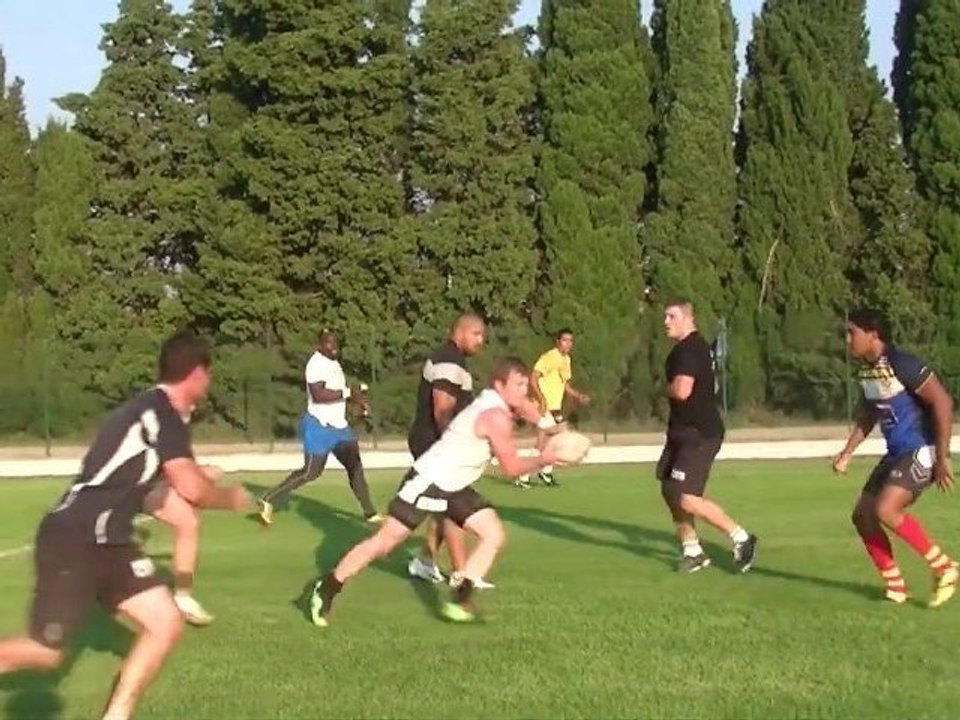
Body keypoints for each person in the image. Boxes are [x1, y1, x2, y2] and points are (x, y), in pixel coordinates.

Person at [0, 331, 250, 720]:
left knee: (165, 622)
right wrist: (230, 497)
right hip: (76, 538)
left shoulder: (151, 411)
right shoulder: (161, 413)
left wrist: (197, 476)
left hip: (113, 544)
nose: (210, 380)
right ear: (197, 373)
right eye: (208, 372)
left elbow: (148, 484)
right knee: (46, 653)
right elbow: (191, 490)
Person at [307, 356, 561, 626]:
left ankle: (459, 600)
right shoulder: (494, 416)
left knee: (493, 533)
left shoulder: (497, 401)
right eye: (518, 385)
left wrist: (547, 424)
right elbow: (511, 468)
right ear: (500, 385)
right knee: (385, 542)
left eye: (525, 385)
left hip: (454, 484)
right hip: (429, 480)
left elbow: (525, 407)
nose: (524, 391)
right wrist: (547, 458)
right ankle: (327, 588)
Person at [833, 308, 958, 607]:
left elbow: (942, 401)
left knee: (885, 509)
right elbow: (868, 417)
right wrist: (847, 452)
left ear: (872, 334)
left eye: (852, 332)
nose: (848, 339)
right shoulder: (867, 372)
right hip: (896, 454)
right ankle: (895, 587)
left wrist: (943, 456)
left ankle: (945, 568)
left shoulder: (902, 363)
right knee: (863, 515)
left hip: (921, 450)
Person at [656, 300, 757, 573]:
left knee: (687, 497)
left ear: (688, 318)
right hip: (680, 431)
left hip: (699, 433)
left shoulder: (690, 349)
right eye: (665, 316)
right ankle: (693, 551)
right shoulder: (685, 349)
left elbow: (682, 391)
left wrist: (665, 388)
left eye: (671, 316)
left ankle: (742, 538)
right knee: (670, 490)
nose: (666, 322)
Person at [258, 330, 379, 526]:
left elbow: (342, 392)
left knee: (355, 465)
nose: (334, 347)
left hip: (339, 427)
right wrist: (348, 393)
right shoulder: (315, 364)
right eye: (329, 344)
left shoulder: (334, 363)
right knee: (311, 472)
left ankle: (370, 512)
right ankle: (268, 499)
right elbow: (318, 395)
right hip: (319, 426)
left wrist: (359, 402)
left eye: (336, 344)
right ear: (320, 345)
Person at [405, 313, 487, 586]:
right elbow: (442, 409)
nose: (481, 341)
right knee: (454, 503)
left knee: (443, 505)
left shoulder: (455, 360)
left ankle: (425, 561)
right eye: (476, 334)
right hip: (434, 442)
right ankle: (462, 573)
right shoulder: (449, 360)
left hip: (435, 442)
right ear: (460, 332)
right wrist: (452, 445)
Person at [519, 328, 591, 488]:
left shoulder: (566, 360)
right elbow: (533, 378)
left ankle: (544, 472)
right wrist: (541, 399)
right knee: (542, 442)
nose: (568, 344)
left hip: (555, 408)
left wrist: (578, 395)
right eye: (565, 340)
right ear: (558, 342)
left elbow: (565, 385)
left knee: (553, 441)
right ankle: (523, 475)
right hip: (543, 407)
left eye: (570, 341)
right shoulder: (550, 357)